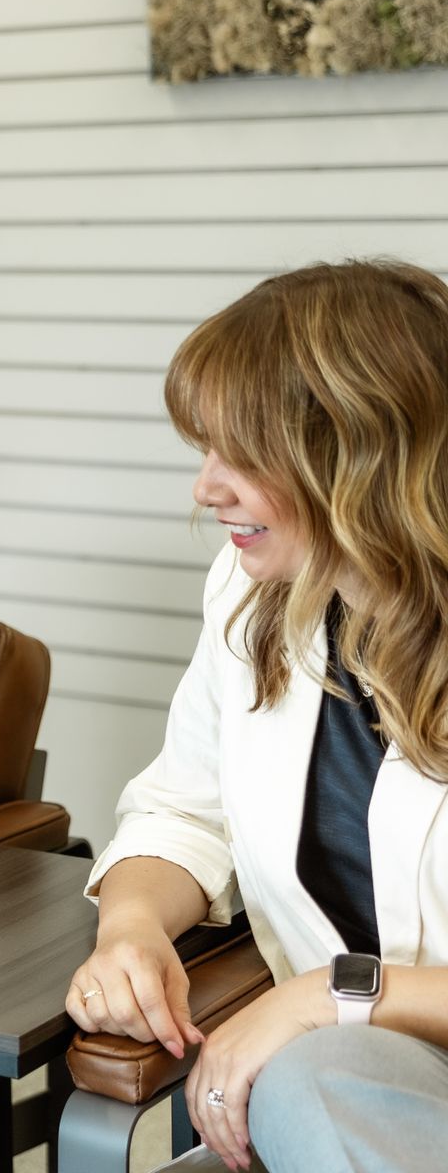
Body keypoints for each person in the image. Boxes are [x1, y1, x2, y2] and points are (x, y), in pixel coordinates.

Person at [66, 260, 448, 1172]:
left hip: (337, 1072)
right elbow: (183, 811)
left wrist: (333, 998)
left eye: (241, 455)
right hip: (352, 1086)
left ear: (357, 456)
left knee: (315, 1080)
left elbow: (332, 1018)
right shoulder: (254, 594)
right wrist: (132, 929)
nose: (206, 488)